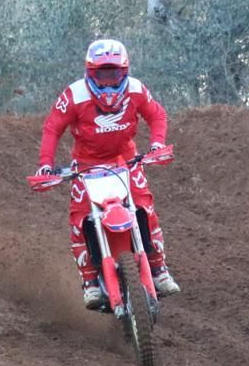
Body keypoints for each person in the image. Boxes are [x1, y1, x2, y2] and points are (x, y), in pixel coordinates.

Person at [35, 38, 179, 310]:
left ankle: (159, 270)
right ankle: (90, 282)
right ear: (91, 73)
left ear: (123, 72)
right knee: (79, 221)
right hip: (86, 165)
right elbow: (53, 127)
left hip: (126, 159)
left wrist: (157, 143)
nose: (109, 81)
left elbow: (157, 115)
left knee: (145, 210)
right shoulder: (75, 95)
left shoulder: (135, 90)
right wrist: (45, 163)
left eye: (114, 74)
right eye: (102, 74)